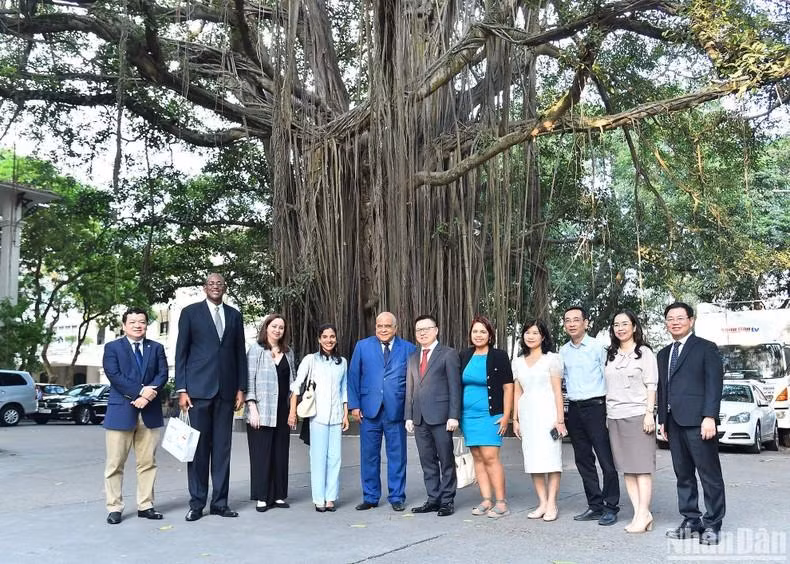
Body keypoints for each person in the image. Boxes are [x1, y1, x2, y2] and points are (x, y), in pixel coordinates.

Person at [175, 273, 247, 521]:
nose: (215, 287)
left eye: (220, 284)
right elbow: (181, 353)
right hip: (198, 392)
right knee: (197, 449)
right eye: (211, 284)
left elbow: (240, 354)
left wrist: (241, 388)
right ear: (205, 288)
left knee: (222, 450)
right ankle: (197, 503)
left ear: (225, 288)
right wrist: (181, 389)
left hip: (226, 393)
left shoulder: (235, 315)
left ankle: (220, 503)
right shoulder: (190, 313)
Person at [657, 302, 725, 546]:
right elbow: (662, 388)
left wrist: (710, 416)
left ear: (691, 320)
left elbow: (714, 385)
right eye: (670, 319)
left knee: (709, 475)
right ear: (666, 324)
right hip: (673, 422)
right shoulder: (663, 353)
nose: (675, 322)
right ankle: (690, 519)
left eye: (680, 318)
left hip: (699, 422)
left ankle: (713, 523)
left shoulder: (706, 348)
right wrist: (662, 420)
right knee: (683, 475)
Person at [102, 307, 168, 525]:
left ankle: (145, 505)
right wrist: (140, 392)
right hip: (121, 411)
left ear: (147, 324)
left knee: (148, 462)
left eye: (142, 321)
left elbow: (163, 374)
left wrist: (147, 397)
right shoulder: (113, 347)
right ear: (124, 325)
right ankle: (114, 507)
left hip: (149, 412)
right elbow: (114, 375)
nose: (138, 325)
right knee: (115, 463)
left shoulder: (156, 347)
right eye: (133, 322)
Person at [347, 311, 416, 512]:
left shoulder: (409, 349)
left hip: (397, 410)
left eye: (387, 326)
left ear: (396, 328)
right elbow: (353, 377)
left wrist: (409, 410)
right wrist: (355, 405)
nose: (383, 329)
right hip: (369, 410)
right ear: (375, 327)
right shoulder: (362, 346)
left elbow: (413, 380)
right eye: (380, 326)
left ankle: (396, 496)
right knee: (369, 455)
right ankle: (370, 496)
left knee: (397, 455)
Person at [560, 305, 620, 525]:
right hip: (574, 410)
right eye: (568, 320)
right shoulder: (563, 351)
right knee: (583, 459)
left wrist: (608, 410)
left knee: (605, 459)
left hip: (596, 407)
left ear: (586, 322)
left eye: (577, 320)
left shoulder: (598, 347)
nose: (572, 324)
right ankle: (595, 505)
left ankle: (611, 506)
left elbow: (609, 378)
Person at [604, 310, 658, 533]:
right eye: (616, 324)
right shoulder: (611, 354)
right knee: (627, 468)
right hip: (615, 415)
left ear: (634, 327)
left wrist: (649, 413)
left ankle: (643, 512)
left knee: (642, 468)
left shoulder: (644, 353)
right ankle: (640, 514)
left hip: (638, 415)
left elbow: (652, 385)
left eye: (625, 324)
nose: (620, 328)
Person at [404, 315, 461, 517]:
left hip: (441, 417)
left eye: (426, 328)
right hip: (419, 419)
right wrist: (408, 416)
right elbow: (410, 390)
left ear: (436, 330)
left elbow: (455, 387)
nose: (422, 332)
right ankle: (433, 498)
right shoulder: (412, 358)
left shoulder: (448, 354)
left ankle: (447, 500)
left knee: (445, 459)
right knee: (426, 460)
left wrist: (453, 415)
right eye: (419, 329)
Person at [289, 323, 349, 512]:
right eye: (325, 337)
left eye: (332, 336)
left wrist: (346, 414)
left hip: (336, 416)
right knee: (318, 457)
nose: (329, 340)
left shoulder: (342, 362)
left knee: (335, 458)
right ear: (319, 339)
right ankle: (319, 498)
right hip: (317, 416)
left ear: (336, 338)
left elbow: (344, 390)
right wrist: (292, 412)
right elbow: (297, 385)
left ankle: (331, 497)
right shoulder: (311, 360)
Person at [458, 315, 513, 518]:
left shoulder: (499, 356)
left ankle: (501, 502)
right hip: (468, 417)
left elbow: (508, 388)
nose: (478, 335)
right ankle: (486, 499)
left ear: (490, 335)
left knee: (491, 457)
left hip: (491, 415)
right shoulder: (464, 355)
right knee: (478, 458)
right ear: (470, 335)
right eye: (475, 331)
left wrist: (507, 415)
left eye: (483, 331)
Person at [512, 318, 565, 522]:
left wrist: (559, 419)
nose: (531, 336)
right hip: (527, 414)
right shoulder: (517, 362)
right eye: (527, 332)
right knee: (533, 460)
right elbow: (517, 391)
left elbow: (557, 391)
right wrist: (515, 419)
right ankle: (542, 502)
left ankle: (552, 503)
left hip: (548, 413)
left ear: (543, 336)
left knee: (551, 459)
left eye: (535, 333)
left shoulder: (552, 359)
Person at [245, 313, 296, 512]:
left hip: (282, 410)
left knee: (280, 453)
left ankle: (279, 495)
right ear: (266, 327)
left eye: (281, 327)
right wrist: (252, 408)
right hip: (261, 410)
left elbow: (294, 383)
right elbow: (249, 380)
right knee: (261, 454)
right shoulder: (256, 350)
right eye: (274, 326)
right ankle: (262, 496)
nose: (277, 330)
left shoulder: (289, 352)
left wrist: (293, 411)